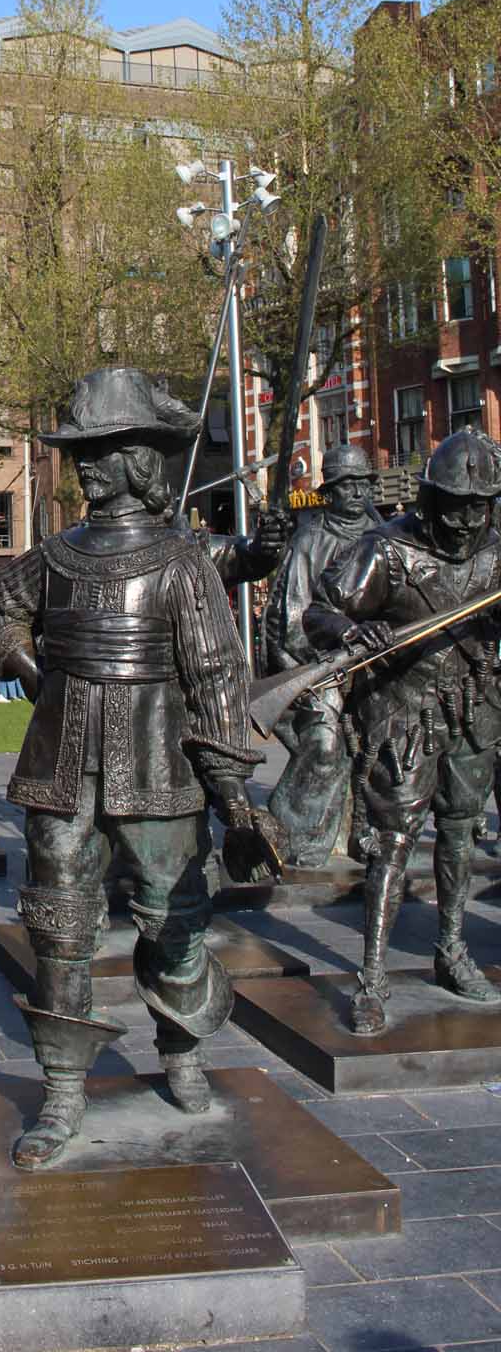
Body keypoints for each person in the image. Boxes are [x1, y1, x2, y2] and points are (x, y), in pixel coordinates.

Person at [0, 367, 278, 1168]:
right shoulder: (56, 556)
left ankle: (181, 1050)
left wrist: (233, 797)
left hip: (158, 769)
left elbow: (215, 680)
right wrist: (28, 666)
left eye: (103, 451)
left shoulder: (181, 562)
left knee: (174, 925)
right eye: (81, 453)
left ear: (141, 459)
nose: (87, 466)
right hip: (61, 771)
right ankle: (63, 1091)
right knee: (58, 931)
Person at [305, 425, 501, 1034]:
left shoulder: (498, 552)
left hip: (476, 708)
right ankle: (372, 976)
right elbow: (320, 610)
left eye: (479, 508)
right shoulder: (388, 550)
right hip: (404, 714)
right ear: (430, 498)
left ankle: (451, 949)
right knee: (391, 845)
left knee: (462, 835)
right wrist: (348, 632)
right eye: (456, 507)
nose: (467, 523)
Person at [261, 443, 383, 867]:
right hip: (321, 666)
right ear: (329, 491)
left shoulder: (384, 535)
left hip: (379, 662)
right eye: (345, 485)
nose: (355, 493)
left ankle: (369, 832)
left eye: (361, 484)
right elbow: (289, 617)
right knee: (326, 742)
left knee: (388, 741)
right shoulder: (310, 541)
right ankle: (289, 834)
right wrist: (317, 669)